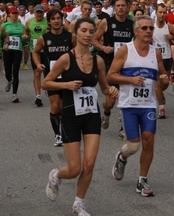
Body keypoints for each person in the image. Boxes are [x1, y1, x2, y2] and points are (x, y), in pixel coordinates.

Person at [43, 18, 118, 215]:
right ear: (75, 33)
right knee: (74, 169)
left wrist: (111, 90)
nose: (87, 34)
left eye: (91, 31)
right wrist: (65, 85)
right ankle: (56, 174)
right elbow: (46, 83)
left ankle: (79, 203)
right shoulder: (66, 59)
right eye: (83, 30)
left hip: (91, 114)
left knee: (90, 163)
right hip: (70, 116)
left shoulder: (98, 61)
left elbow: (103, 88)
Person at [107, 15, 169, 196]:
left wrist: (164, 80)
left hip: (148, 105)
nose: (149, 31)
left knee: (149, 141)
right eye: (144, 28)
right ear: (136, 31)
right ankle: (122, 156)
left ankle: (142, 180)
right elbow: (111, 75)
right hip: (129, 105)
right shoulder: (126, 50)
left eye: (151, 28)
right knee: (133, 146)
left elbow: (162, 82)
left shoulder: (155, 53)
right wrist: (130, 79)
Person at [92, 0, 134, 139]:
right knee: (110, 101)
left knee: (126, 98)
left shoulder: (132, 24)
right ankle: (106, 113)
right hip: (110, 65)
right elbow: (94, 40)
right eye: (118, 6)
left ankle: (123, 129)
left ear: (128, 7)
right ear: (114, 8)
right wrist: (104, 48)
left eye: (123, 5)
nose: (121, 8)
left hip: (127, 65)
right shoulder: (106, 22)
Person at [33, 9, 76, 147]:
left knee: (65, 107)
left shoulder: (70, 37)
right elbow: (35, 52)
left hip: (67, 76)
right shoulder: (44, 38)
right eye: (53, 19)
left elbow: (79, 52)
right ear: (49, 22)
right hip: (51, 77)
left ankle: (65, 129)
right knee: (55, 104)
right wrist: (38, 64)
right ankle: (57, 135)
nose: (57, 21)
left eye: (59, 18)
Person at [152, 4, 174, 119]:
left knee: (164, 85)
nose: (162, 15)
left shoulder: (169, 27)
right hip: (155, 59)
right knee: (158, 84)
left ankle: (161, 94)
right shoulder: (151, 27)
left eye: (164, 12)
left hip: (167, 58)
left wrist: (172, 38)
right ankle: (161, 109)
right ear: (156, 13)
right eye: (160, 12)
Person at [23, 4, 48, 107]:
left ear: (43, 12)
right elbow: (26, 30)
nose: (39, 14)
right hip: (35, 52)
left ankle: (48, 88)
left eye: (41, 12)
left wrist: (49, 32)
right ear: (34, 12)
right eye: (37, 12)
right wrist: (25, 35)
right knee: (37, 74)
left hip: (47, 51)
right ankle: (38, 96)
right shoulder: (29, 21)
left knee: (47, 74)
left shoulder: (48, 21)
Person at [2, 7, 25, 103]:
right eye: (13, 13)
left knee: (15, 72)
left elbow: (25, 37)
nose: (15, 15)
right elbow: (1, 37)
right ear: (9, 14)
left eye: (16, 13)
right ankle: (9, 80)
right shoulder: (4, 25)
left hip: (17, 50)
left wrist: (25, 37)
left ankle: (14, 94)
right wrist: (2, 46)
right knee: (8, 71)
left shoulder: (21, 26)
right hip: (7, 50)